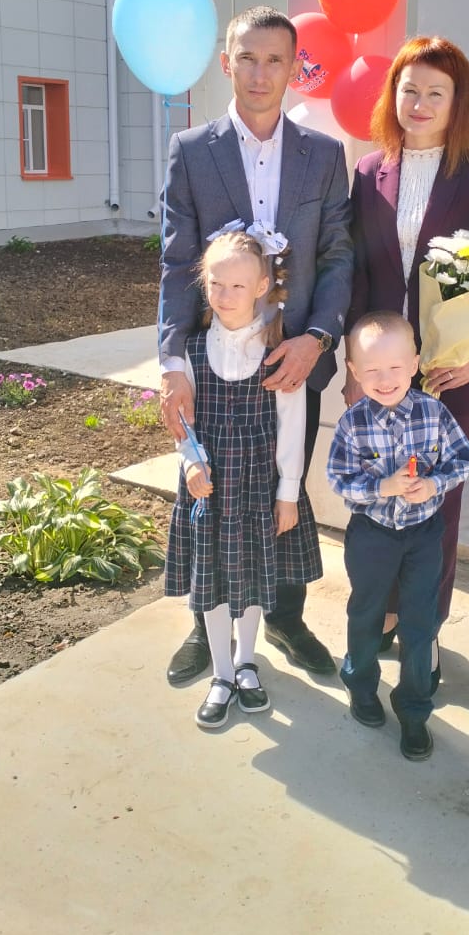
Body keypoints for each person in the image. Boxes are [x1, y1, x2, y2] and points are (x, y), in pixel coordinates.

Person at [159, 5, 353, 684]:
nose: (260, 73)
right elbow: (175, 261)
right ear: (226, 63)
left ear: (295, 68)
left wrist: (316, 339)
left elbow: (337, 255)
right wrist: (173, 362)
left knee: (283, 485)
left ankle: (285, 618)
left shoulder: (323, 155)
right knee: (208, 489)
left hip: (293, 354)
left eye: (275, 60)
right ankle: (204, 625)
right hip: (215, 358)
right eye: (247, 58)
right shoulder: (193, 151)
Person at [345, 36, 469, 689]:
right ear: (393, 95)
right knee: (381, 499)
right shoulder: (369, 172)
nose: (419, 103)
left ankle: (424, 627)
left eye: (435, 93)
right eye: (409, 89)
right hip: (380, 374)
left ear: (457, 104)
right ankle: (386, 614)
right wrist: (352, 367)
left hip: (450, 374)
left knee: (435, 508)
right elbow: (358, 274)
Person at [166, 231, 322, 728]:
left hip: (257, 487)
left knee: (253, 575)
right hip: (210, 487)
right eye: (216, 284)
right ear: (204, 283)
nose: (225, 295)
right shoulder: (191, 350)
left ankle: (247, 663)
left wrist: (288, 492)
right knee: (212, 579)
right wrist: (191, 462)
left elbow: (292, 425)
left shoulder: (279, 350)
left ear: (261, 287)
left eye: (238, 286)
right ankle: (221, 673)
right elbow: (182, 420)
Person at [327, 312, 469, 761]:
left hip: (424, 534)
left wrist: (434, 484)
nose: (385, 379)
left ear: (414, 363)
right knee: (366, 613)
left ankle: (413, 710)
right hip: (371, 536)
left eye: (395, 367)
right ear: (354, 371)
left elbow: (461, 461)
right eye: (371, 369)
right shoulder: (353, 424)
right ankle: (361, 686)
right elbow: (339, 480)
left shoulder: (435, 413)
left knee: (419, 623)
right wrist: (382, 487)